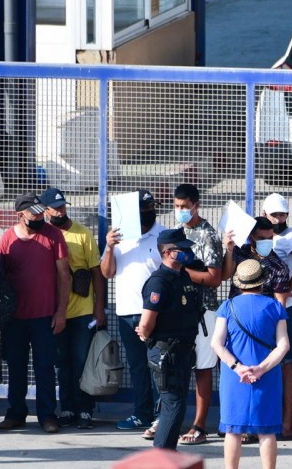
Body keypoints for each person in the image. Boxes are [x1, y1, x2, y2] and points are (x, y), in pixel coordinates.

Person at [0, 192, 71, 433]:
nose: (40, 217)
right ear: (21, 215)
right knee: (16, 367)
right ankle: (16, 413)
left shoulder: (54, 235)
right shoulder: (7, 238)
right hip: (14, 319)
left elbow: (64, 275)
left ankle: (47, 415)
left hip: (45, 317)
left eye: (41, 212)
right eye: (34, 213)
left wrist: (61, 312)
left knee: (45, 368)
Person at [212, 260, 291, 469]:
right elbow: (283, 346)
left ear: (239, 284)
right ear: (262, 282)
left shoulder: (227, 307)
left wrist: (237, 367)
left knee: (233, 430)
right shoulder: (275, 306)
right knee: (266, 430)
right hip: (267, 375)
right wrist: (261, 368)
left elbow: (217, 344)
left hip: (234, 377)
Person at [41, 187, 106, 430]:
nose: (61, 211)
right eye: (55, 208)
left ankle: (85, 410)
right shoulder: (45, 235)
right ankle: (67, 408)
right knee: (63, 364)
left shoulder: (82, 234)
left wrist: (99, 308)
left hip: (82, 312)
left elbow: (97, 274)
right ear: (45, 211)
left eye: (63, 206)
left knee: (82, 363)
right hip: (55, 311)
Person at [102, 189, 166, 431]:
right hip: (127, 313)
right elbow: (107, 272)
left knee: (159, 366)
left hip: (156, 313)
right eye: (143, 210)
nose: (149, 213)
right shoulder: (119, 237)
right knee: (138, 366)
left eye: (151, 209)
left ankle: (162, 416)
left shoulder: (163, 236)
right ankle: (142, 413)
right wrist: (109, 248)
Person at [136, 228, 203, 450]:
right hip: (166, 352)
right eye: (182, 249)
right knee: (173, 404)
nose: (187, 252)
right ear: (167, 252)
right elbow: (146, 323)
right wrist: (145, 334)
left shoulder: (183, 275)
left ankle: (166, 454)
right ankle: (161, 457)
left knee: (177, 404)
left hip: (182, 351)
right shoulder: (159, 282)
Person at [171, 183, 225, 446]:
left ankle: (200, 425)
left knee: (202, 369)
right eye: (177, 206)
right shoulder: (176, 233)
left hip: (204, 312)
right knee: (175, 366)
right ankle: (169, 418)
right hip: (178, 310)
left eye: (185, 207)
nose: (180, 211)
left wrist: (182, 270)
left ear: (196, 205)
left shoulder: (208, 235)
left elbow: (214, 279)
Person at [262, 192, 292, 439]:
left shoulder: (289, 237)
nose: (279, 219)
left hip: (287, 309)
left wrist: (287, 288)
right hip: (272, 308)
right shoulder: (265, 235)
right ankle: (275, 420)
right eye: (275, 215)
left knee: (285, 363)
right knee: (273, 364)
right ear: (264, 215)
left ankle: (287, 424)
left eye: (283, 215)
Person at [221, 216, 291, 301]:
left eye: (270, 238)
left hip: (262, 312)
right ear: (251, 238)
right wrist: (229, 250)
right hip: (236, 310)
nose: (267, 242)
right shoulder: (239, 252)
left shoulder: (279, 267)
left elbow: (280, 305)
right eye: (261, 238)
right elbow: (225, 276)